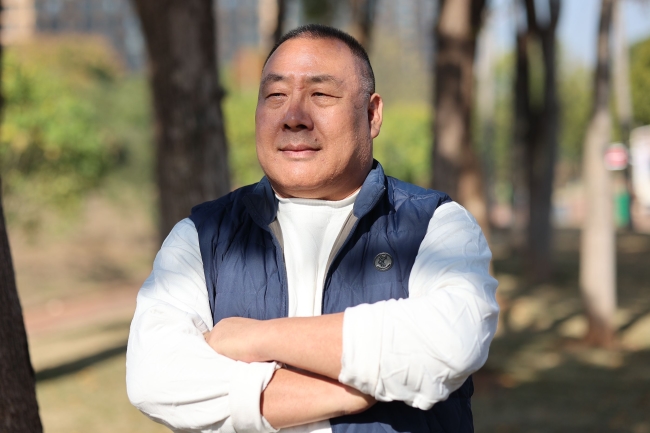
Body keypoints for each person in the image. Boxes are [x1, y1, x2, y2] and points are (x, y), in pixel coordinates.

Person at [127, 24, 499, 433]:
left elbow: (451, 343)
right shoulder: (201, 237)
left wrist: (256, 338)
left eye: (320, 94)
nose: (294, 118)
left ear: (372, 114)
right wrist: (356, 392)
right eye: (275, 95)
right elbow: (155, 379)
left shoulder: (434, 225)